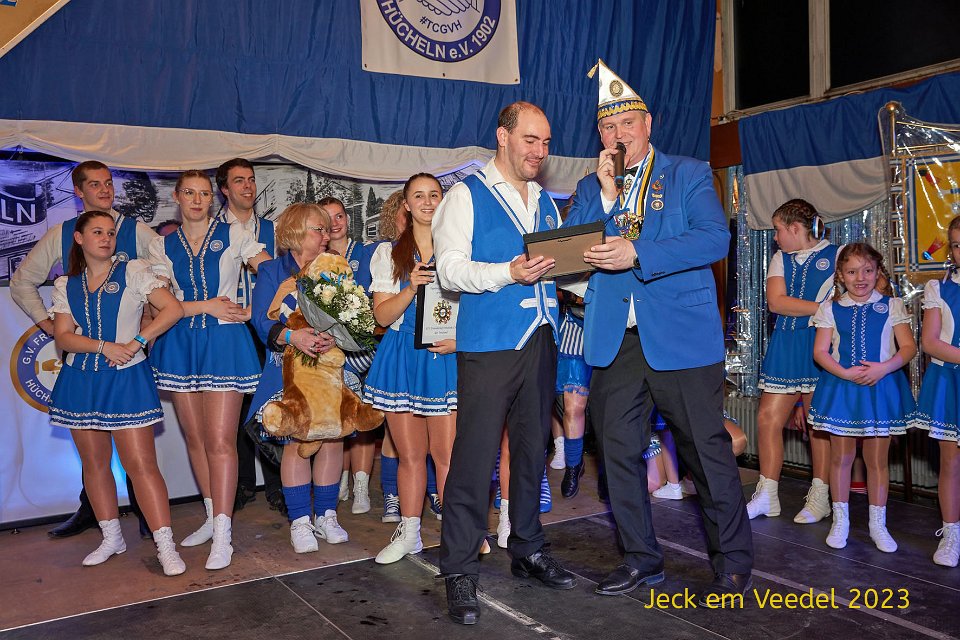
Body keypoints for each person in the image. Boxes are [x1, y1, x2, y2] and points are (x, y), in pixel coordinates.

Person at [564, 61, 752, 605]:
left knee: (705, 452)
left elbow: (714, 239)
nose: (617, 135)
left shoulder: (688, 174)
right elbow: (570, 252)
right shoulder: (589, 187)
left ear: (648, 125)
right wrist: (606, 199)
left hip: (682, 338)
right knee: (617, 453)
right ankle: (640, 560)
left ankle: (733, 563)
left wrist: (639, 252)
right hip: (616, 341)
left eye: (627, 124)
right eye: (608, 127)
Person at [434, 101, 575, 625]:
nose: (539, 151)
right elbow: (449, 271)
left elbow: (559, 272)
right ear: (503, 136)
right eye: (530, 140)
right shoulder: (465, 195)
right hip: (490, 345)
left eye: (545, 142)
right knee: (474, 459)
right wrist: (507, 273)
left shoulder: (546, 203)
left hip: (541, 338)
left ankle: (528, 548)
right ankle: (459, 569)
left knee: (533, 452)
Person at [11, 160, 158, 539]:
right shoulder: (62, 234)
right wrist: (51, 326)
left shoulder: (136, 231)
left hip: (127, 358)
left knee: (135, 452)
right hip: (86, 361)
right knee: (92, 449)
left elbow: (166, 273)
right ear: (78, 192)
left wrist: (147, 324)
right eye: (95, 184)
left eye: (108, 183)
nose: (104, 190)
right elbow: (22, 282)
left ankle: (149, 517)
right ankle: (96, 514)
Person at [48, 210, 185, 575]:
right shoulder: (66, 285)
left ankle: (165, 546)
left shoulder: (134, 271)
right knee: (94, 465)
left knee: (141, 466)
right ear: (79, 238)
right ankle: (111, 538)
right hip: (79, 380)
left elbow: (172, 309)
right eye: (97, 232)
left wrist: (138, 340)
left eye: (110, 232)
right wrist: (103, 346)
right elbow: (63, 337)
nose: (106, 238)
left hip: (127, 378)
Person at [148, 170, 271, 570]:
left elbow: (272, 273)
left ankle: (223, 532)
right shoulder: (162, 245)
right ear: (177, 197)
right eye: (190, 192)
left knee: (220, 441)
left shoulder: (235, 234)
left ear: (212, 197)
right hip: (180, 344)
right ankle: (210, 514)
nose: (197, 200)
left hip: (224, 343)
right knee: (196, 438)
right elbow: (160, 301)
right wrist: (205, 306)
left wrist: (256, 311)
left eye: (203, 193)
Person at [362, 173, 458, 563]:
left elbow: (477, 307)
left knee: (447, 454)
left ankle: (458, 534)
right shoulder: (388, 254)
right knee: (410, 455)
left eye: (434, 195)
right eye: (418, 196)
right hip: (402, 354)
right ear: (406, 204)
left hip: (444, 355)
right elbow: (382, 316)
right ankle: (410, 533)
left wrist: (459, 341)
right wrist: (411, 287)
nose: (427, 202)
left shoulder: (459, 247)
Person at [248, 203, 350, 552]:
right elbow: (261, 321)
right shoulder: (272, 271)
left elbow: (354, 316)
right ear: (295, 232)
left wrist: (337, 336)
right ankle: (300, 521)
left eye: (327, 229)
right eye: (318, 229)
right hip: (287, 372)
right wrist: (294, 337)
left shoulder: (336, 267)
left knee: (333, 439)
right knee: (297, 442)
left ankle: (326, 515)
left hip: (330, 372)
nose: (326, 235)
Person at [809, 242, 917, 552]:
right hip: (842, 389)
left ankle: (877, 524)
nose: (861, 278)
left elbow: (908, 348)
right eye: (852, 272)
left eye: (868, 270)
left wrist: (884, 368)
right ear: (840, 275)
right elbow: (820, 351)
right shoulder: (830, 308)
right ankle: (840, 520)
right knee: (841, 457)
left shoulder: (892, 306)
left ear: (877, 271)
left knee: (877, 460)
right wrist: (844, 373)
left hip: (879, 388)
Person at [747, 199, 837, 524]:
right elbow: (776, 302)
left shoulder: (838, 255)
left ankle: (820, 496)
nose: (775, 237)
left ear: (795, 228)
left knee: (817, 425)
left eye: (778, 230)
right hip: (785, 343)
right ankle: (767, 495)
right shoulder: (780, 258)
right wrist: (824, 308)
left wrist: (828, 312)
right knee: (767, 418)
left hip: (819, 345)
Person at [214, 158, 283, 514]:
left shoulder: (274, 230)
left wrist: (259, 312)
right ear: (224, 189)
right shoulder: (213, 232)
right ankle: (240, 483)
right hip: (228, 327)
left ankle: (278, 484)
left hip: (267, 326)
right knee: (234, 405)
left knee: (272, 400)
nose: (248, 186)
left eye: (251, 180)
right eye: (239, 180)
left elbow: (284, 277)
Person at [321, 196, 378, 516]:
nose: (335, 223)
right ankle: (339, 479)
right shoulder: (316, 259)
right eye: (327, 217)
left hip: (367, 347)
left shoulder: (368, 253)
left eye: (340, 215)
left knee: (364, 417)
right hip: (331, 350)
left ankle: (361, 486)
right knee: (338, 417)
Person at [917, 216, 960, 567]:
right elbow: (930, 343)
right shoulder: (939, 288)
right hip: (950, 381)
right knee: (951, 462)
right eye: (957, 245)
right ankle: (951, 533)